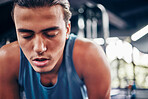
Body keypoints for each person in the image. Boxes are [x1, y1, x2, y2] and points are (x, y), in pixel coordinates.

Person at [0, 0, 111, 99]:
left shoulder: (90, 55)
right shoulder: (6, 59)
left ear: (67, 30)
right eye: (26, 35)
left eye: (51, 34)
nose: (39, 48)